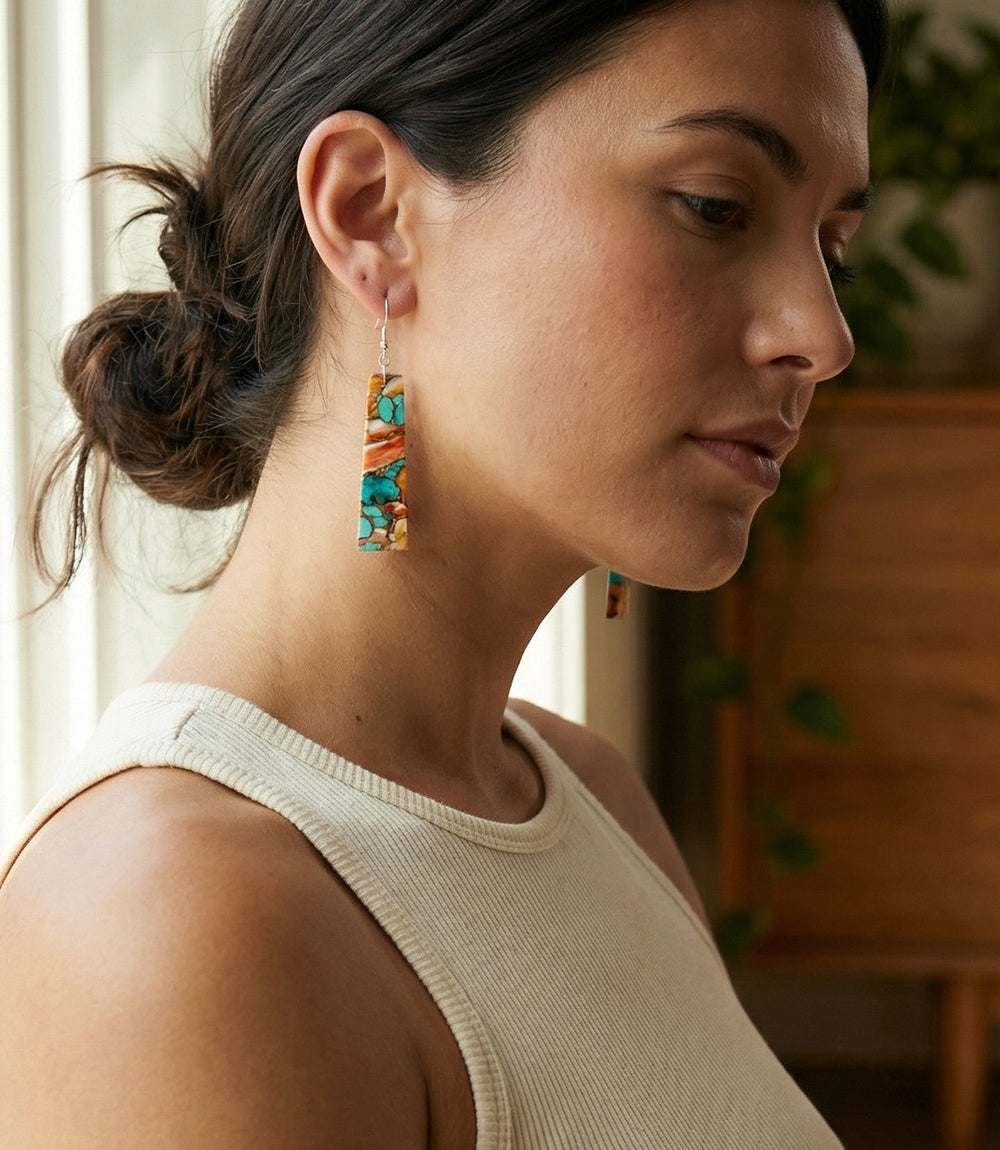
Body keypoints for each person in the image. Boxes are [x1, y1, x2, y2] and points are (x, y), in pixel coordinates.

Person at [0, 1, 887, 1146]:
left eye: (832, 250)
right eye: (715, 205)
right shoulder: (174, 917)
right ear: (371, 212)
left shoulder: (583, 794)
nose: (821, 333)